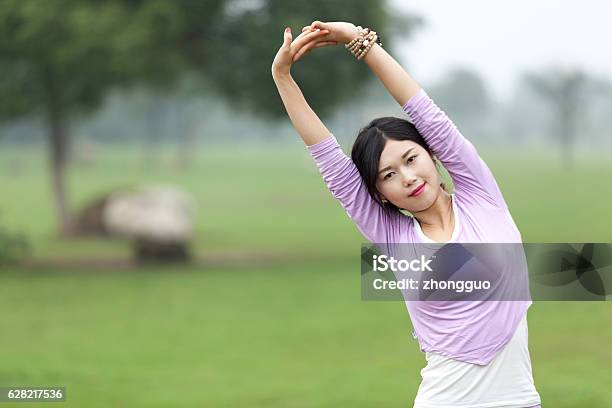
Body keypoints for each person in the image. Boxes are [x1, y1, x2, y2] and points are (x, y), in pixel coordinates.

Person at [271, 20, 542, 408]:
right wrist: (282, 77)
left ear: (432, 154)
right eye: (389, 175)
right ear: (379, 194)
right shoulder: (394, 236)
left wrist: (358, 41)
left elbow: (426, 113)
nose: (409, 177)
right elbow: (329, 159)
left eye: (411, 158)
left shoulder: (482, 197)